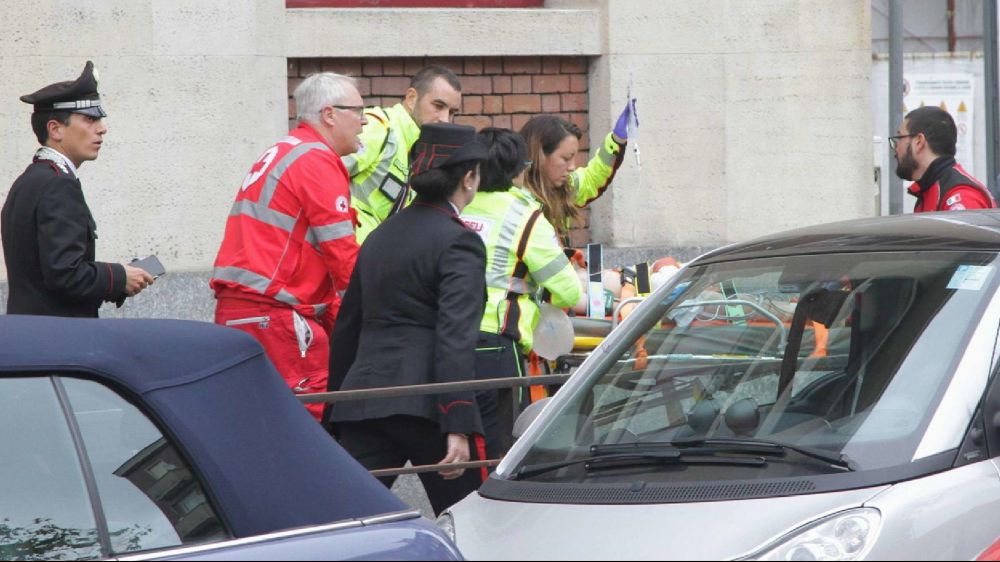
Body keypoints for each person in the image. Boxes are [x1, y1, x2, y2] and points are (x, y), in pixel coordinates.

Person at [326, 123, 488, 515]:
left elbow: (347, 329)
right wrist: (458, 422)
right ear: (468, 178)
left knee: (344, 520)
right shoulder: (459, 240)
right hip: (427, 405)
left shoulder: (380, 235)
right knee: (472, 519)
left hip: (365, 400)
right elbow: (454, 336)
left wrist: (335, 414)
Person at [210, 72, 364, 421]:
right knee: (306, 423)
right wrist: (374, 317)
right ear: (329, 114)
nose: (364, 120)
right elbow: (343, 258)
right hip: (276, 314)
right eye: (358, 110)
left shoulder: (286, 151)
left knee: (254, 421)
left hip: (245, 310)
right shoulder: (316, 160)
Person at [460, 128, 581, 459]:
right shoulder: (523, 215)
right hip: (496, 343)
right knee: (499, 447)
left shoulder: (454, 206)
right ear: (518, 170)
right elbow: (569, 291)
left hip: (445, 339)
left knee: (458, 446)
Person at [2, 61, 154, 317]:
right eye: (89, 119)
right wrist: (119, 277)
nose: (102, 128)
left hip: (33, 334)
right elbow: (65, 274)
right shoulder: (57, 184)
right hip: (59, 340)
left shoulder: (32, 179)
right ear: (55, 129)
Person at [345, 65, 462, 243]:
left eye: (452, 112)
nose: (445, 119)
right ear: (411, 98)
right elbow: (323, 178)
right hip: (343, 252)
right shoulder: (379, 127)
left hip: (368, 256)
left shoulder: (417, 146)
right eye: (438, 106)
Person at [519, 98, 636, 244]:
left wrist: (617, 140)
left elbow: (592, 178)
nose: (572, 167)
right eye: (566, 158)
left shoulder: (563, 185)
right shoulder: (516, 201)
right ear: (539, 155)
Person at [891, 105, 997, 212]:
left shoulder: (960, 196)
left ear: (919, 142)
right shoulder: (929, 190)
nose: (896, 147)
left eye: (900, 138)